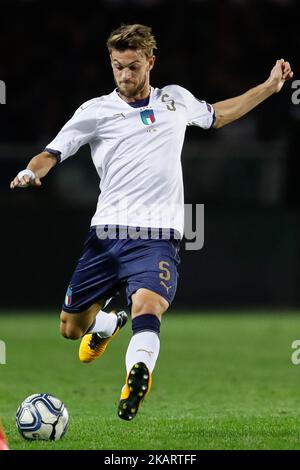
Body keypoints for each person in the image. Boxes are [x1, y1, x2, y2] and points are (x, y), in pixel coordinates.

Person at [10, 24, 293, 421]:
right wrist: (30, 171)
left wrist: (268, 87)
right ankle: (110, 319)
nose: (125, 75)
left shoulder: (175, 100)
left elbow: (220, 114)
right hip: (106, 234)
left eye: (133, 66)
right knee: (71, 329)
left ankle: (137, 373)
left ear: (150, 62)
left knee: (150, 306)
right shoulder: (95, 111)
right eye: (117, 66)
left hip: (159, 234)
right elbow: (52, 152)